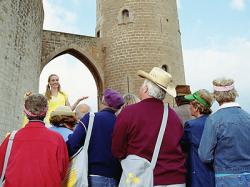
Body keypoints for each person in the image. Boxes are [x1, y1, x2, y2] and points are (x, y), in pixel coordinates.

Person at [112, 67, 186, 186]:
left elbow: (117, 148)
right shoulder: (174, 116)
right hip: (175, 180)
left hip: (143, 179)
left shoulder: (129, 112)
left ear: (145, 89)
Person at [0, 94, 69, 187]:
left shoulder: (11, 139)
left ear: (25, 112)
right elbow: (62, 171)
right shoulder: (57, 139)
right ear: (46, 111)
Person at [67, 88, 124, 187]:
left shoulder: (91, 118)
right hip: (116, 177)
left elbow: (73, 144)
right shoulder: (121, 123)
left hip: (92, 175)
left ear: (103, 101)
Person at [198, 78, 250, 187]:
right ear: (234, 93)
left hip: (225, 176)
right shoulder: (248, 118)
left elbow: (205, 155)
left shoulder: (214, 120)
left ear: (216, 96)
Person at [182, 89, 215, 187]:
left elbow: (183, 146)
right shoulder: (215, 122)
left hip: (197, 174)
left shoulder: (191, 126)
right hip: (213, 174)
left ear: (197, 107)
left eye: (191, 104)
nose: (189, 106)